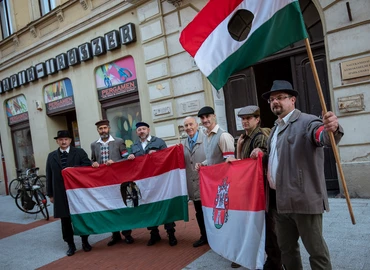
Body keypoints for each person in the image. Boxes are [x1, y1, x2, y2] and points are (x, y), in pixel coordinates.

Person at [251, 80, 344, 270]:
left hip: (303, 200)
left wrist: (332, 129)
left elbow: (322, 137)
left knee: (316, 251)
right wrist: (263, 155)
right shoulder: (275, 128)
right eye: (271, 99)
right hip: (280, 202)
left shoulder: (308, 121)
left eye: (280, 98)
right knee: (287, 250)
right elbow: (281, 156)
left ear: (292, 100)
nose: (275, 102)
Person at [227, 105, 282, 270]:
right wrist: (238, 149)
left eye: (248, 118)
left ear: (257, 120)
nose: (244, 122)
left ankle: (276, 262)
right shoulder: (245, 138)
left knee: (269, 229)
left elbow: (265, 162)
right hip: (251, 191)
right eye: (243, 119)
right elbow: (243, 163)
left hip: (262, 192)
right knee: (257, 227)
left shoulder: (259, 137)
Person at [194, 106, 237, 268]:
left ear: (214, 116)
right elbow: (213, 159)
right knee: (223, 220)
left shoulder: (224, 136)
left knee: (230, 220)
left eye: (208, 117)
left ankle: (236, 254)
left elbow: (229, 162)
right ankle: (226, 248)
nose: (205, 120)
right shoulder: (206, 136)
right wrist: (202, 164)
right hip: (216, 187)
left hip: (226, 186)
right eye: (202, 118)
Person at [127, 121, 177, 246]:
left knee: (164, 205)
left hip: (160, 181)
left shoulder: (159, 142)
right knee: (148, 207)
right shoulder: (134, 146)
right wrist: (130, 156)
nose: (141, 131)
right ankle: (154, 233)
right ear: (137, 132)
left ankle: (171, 233)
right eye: (139, 130)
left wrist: (158, 155)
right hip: (144, 183)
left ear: (148, 130)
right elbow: (131, 164)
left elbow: (167, 158)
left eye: (143, 129)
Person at [46, 130, 92, 256]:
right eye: (61, 140)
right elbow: (49, 175)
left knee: (80, 217)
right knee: (65, 220)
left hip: (77, 192)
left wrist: (73, 171)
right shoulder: (51, 156)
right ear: (57, 141)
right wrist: (50, 194)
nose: (63, 141)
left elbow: (87, 167)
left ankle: (85, 241)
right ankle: (70, 245)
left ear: (70, 141)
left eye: (66, 139)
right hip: (60, 193)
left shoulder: (79, 152)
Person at [90, 119, 134, 246]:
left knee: (122, 205)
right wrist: (93, 163)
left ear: (109, 128)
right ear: (98, 130)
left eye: (105, 128)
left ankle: (127, 234)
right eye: (100, 129)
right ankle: (115, 234)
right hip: (104, 182)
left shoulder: (119, 141)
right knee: (109, 207)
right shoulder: (94, 145)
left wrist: (115, 163)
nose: (103, 130)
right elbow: (92, 159)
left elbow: (126, 158)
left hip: (119, 180)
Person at [181, 116, 208, 248]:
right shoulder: (183, 144)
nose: (189, 128)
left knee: (211, 211)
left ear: (197, 125)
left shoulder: (206, 139)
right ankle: (204, 236)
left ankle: (215, 236)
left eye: (191, 124)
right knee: (199, 212)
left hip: (207, 183)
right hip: (193, 184)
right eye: (186, 126)